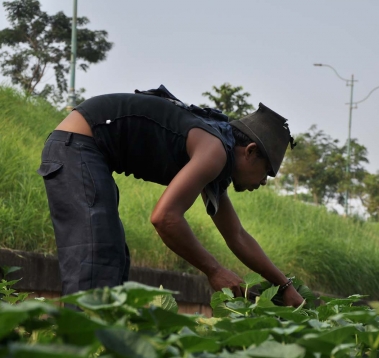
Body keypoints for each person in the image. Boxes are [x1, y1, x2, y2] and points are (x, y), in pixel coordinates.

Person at [37, 85, 304, 307]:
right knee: (97, 258)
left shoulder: (216, 159)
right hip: (76, 147)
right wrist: (215, 270)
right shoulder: (215, 150)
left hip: (86, 151)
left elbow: (237, 236)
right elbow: (165, 218)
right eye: (266, 173)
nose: (263, 183)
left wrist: (284, 285)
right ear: (250, 151)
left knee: (113, 258)